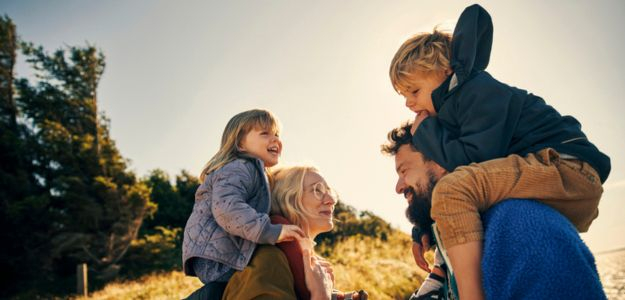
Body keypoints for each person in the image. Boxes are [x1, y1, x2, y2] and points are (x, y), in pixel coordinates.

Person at [388, 4, 610, 299]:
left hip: (566, 168)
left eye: (414, 92)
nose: (409, 104)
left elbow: (473, 161)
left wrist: (427, 132)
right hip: (552, 175)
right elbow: (471, 169)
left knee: (454, 190)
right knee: (455, 190)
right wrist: (425, 227)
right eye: (404, 96)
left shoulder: (477, 92)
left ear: (446, 71)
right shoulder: (460, 108)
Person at [382, 122, 606, 300]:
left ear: (440, 161)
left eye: (404, 171)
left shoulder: (522, 229)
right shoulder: (452, 238)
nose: (398, 187)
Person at [182, 109, 305, 299]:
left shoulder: (257, 172)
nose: (275, 140)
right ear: (240, 143)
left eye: (277, 134)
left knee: (278, 265)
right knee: (274, 258)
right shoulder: (239, 167)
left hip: (226, 252)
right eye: (265, 133)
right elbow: (227, 209)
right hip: (219, 256)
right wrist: (272, 231)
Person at [222, 165, 368, 300]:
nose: (331, 200)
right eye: (317, 190)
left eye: (329, 192)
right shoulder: (268, 259)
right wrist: (321, 294)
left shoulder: (305, 266)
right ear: (288, 200)